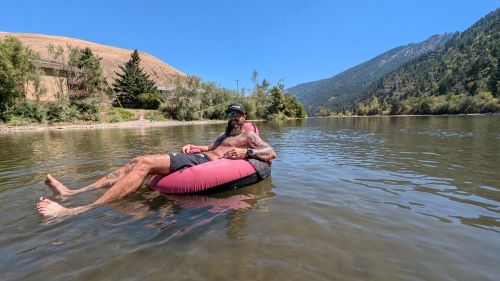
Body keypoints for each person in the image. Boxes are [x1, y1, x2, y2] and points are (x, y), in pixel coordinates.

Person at [37, 103, 277, 219]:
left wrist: (248, 154)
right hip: (198, 158)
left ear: (244, 117)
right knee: (138, 160)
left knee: (144, 164)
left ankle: (76, 211)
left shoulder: (248, 135)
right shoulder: (223, 135)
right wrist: (192, 146)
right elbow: (210, 148)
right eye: (229, 114)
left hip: (205, 166)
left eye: (236, 114)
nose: (232, 118)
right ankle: (73, 191)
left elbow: (271, 152)